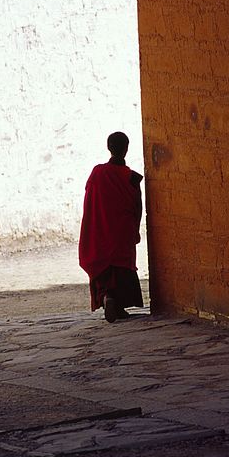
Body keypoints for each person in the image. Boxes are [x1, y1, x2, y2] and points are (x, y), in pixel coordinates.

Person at [78, 131, 144, 323]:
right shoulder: (131, 177)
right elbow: (137, 206)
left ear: (109, 148)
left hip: (100, 230)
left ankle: (108, 297)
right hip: (122, 231)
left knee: (105, 267)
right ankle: (118, 303)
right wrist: (136, 228)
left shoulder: (97, 173)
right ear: (126, 149)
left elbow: (90, 201)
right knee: (121, 268)